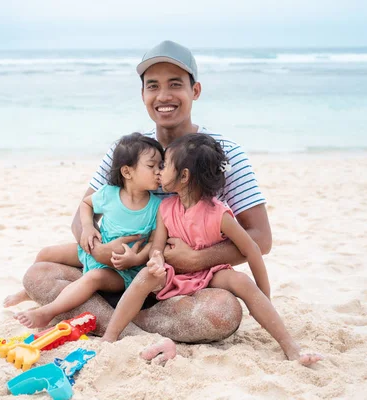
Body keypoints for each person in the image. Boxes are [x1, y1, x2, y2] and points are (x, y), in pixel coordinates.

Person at [15, 40, 273, 344]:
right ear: (143, 95)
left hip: (185, 287)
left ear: (196, 91)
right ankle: (131, 326)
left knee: (223, 311)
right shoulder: (128, 151)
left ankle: (120, 320)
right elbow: (82, 214)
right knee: (38, 274)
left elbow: (260, 238)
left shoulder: (225, 154)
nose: (163, 96)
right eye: (153, 86)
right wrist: (98, 249)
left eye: (175, 84)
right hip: (120, 276)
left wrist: (196, 259)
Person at [100, 134, 322, 366]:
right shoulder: (165, 208)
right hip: (174, 272)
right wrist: (155, 259)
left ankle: (291, 347)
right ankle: (110, 335)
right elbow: (157, 246)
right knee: (147, 275)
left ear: (184, 176)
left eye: (165, 165)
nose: (160, 171)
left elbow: (252, 250)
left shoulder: (219, 214)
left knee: (242, 282)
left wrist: (264, 295)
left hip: (210, 271)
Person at [13, 133, 163, 328]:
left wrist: (135, 260)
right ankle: (29, 291)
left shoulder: (156, 207)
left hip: (121, 270)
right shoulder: (109, 194)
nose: (159, 171)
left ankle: (47, 312)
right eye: (152, 166)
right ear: (127, 172)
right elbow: (86, 204)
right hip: (94, 250)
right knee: (46, 253)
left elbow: (153, 242)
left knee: (93, 278)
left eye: (161, 165)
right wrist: (88, 227)